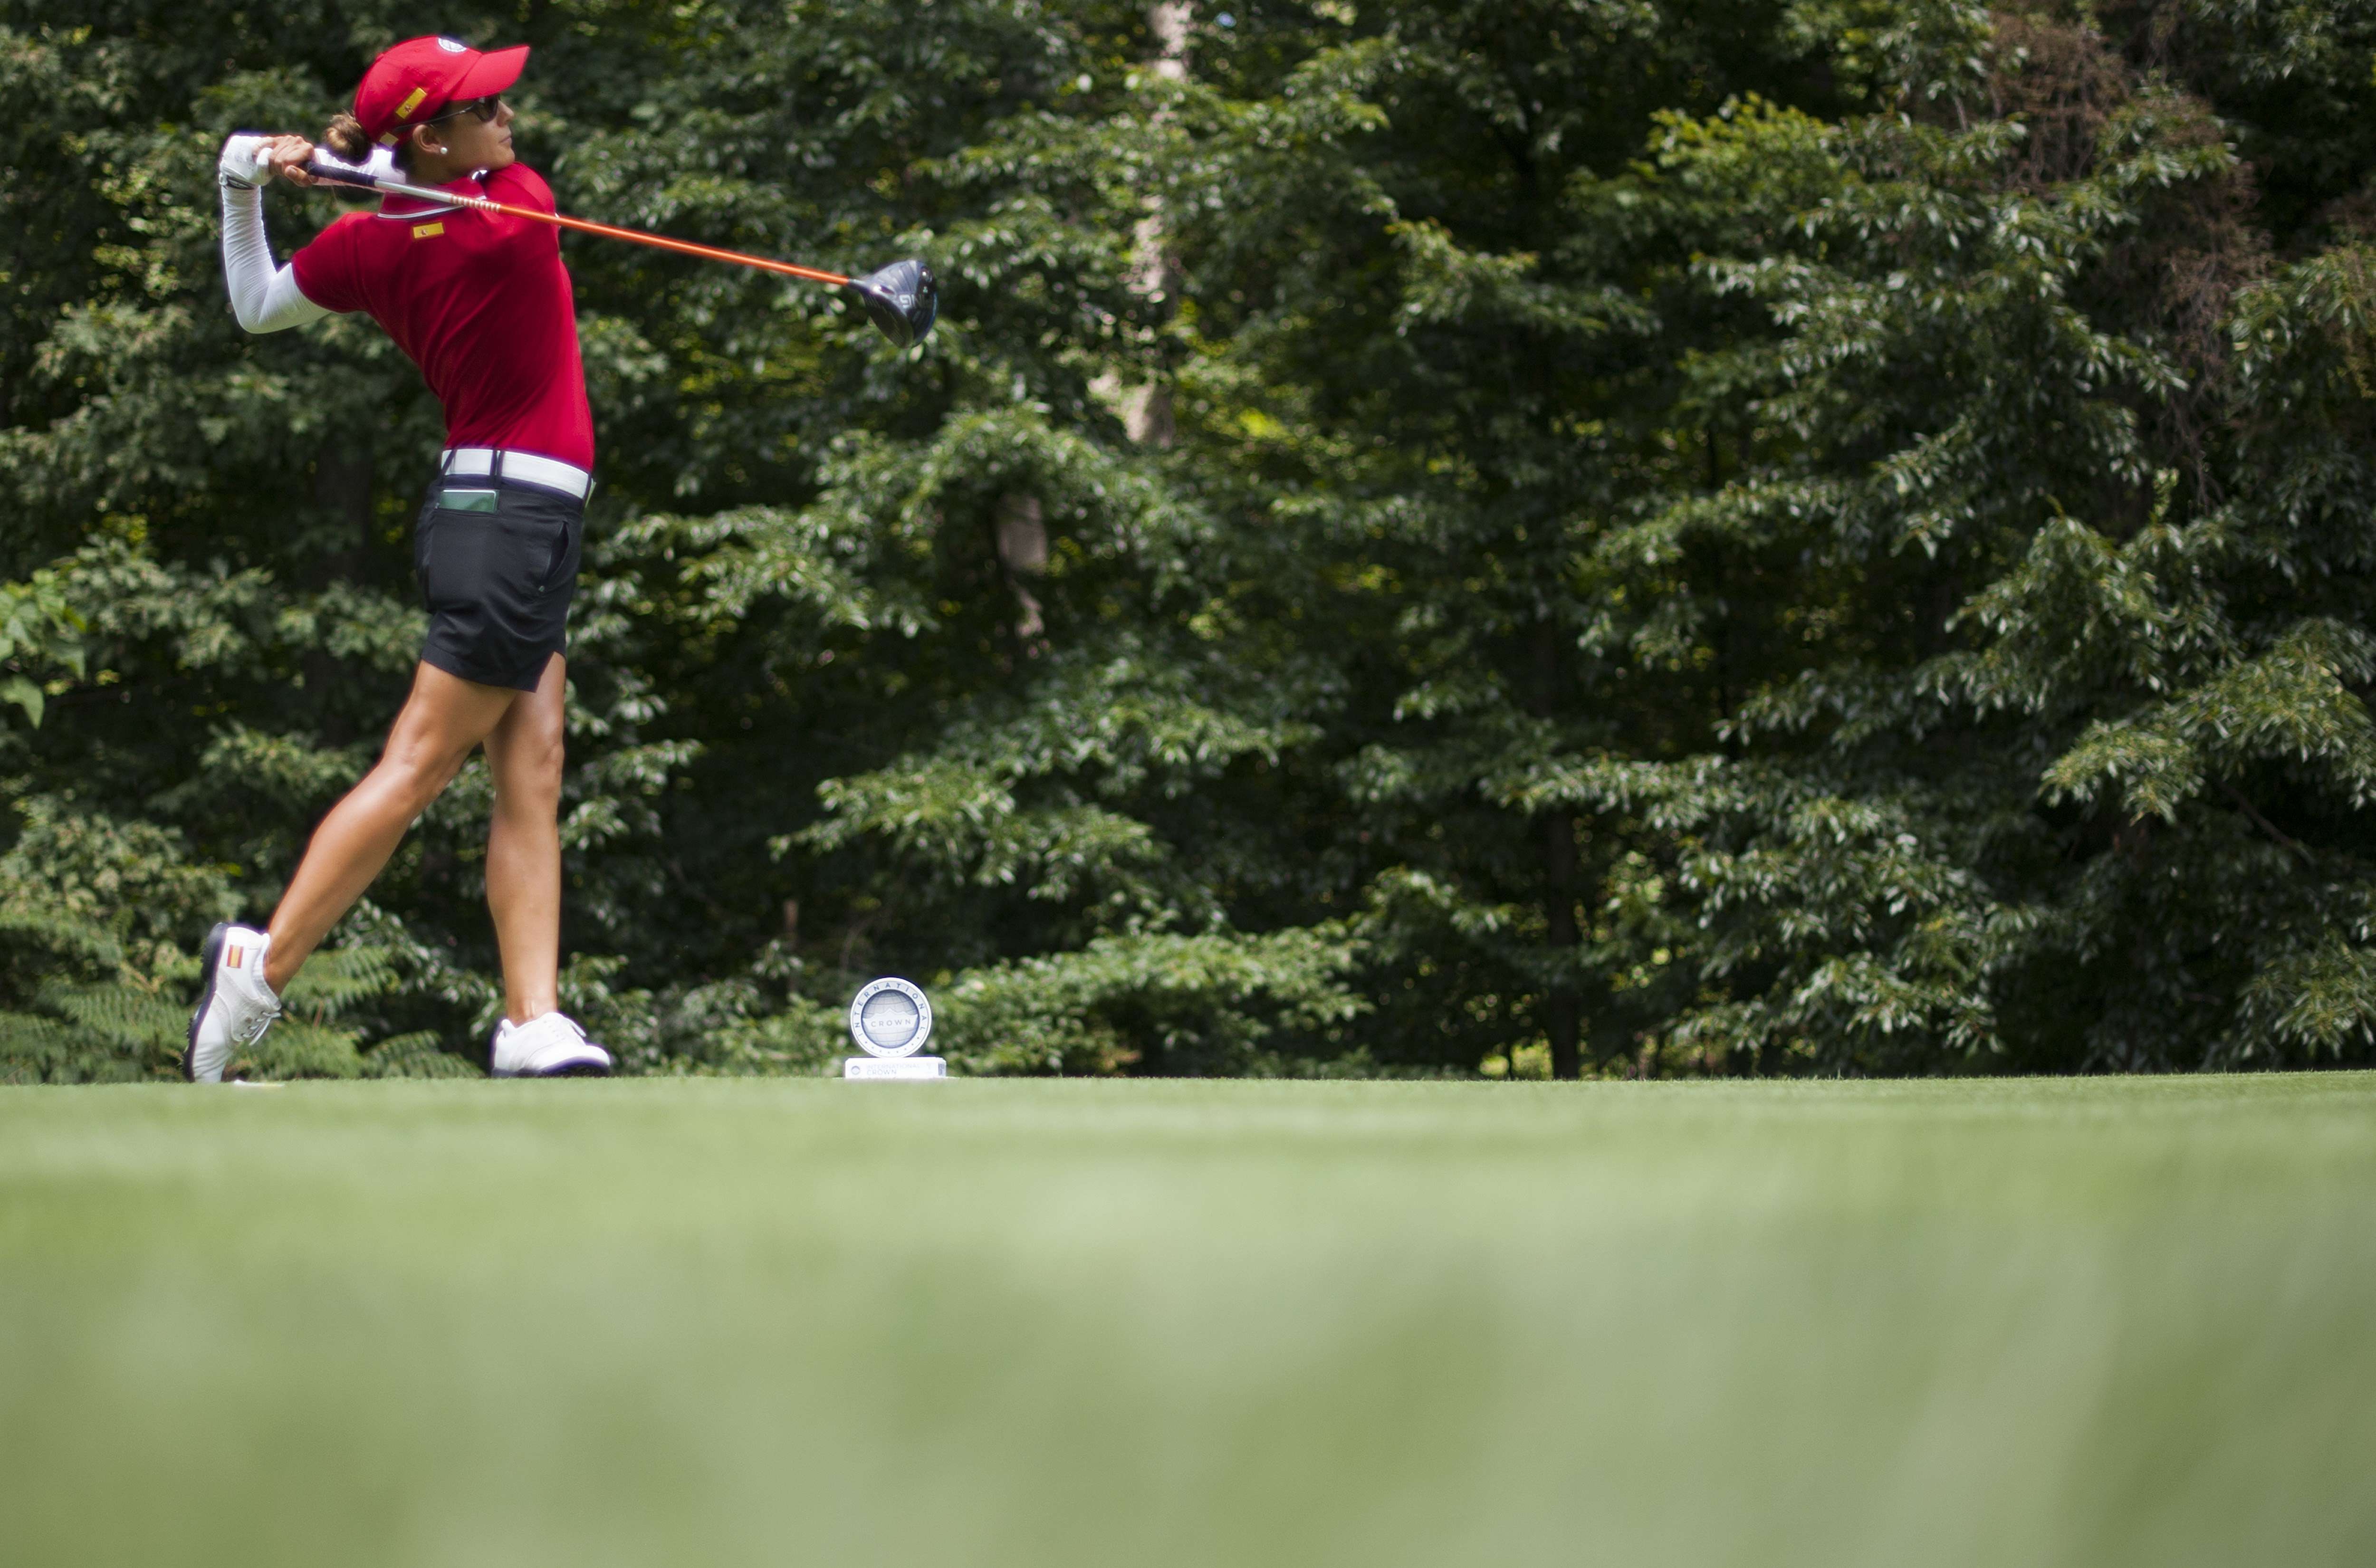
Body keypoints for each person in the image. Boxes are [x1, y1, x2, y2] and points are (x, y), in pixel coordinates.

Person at [191, 36, 612, 1081]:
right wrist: (321, 164)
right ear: (431, 139)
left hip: (506, 517)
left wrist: (243, 182)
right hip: (509, 520)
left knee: (533, 764)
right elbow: (435, 194)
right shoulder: (511, 216)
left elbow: (256, 304)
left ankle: (532, 1020)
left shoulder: (368, 244)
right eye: (484, 108)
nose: (506, 117)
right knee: (420, 764)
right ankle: (260, 969)